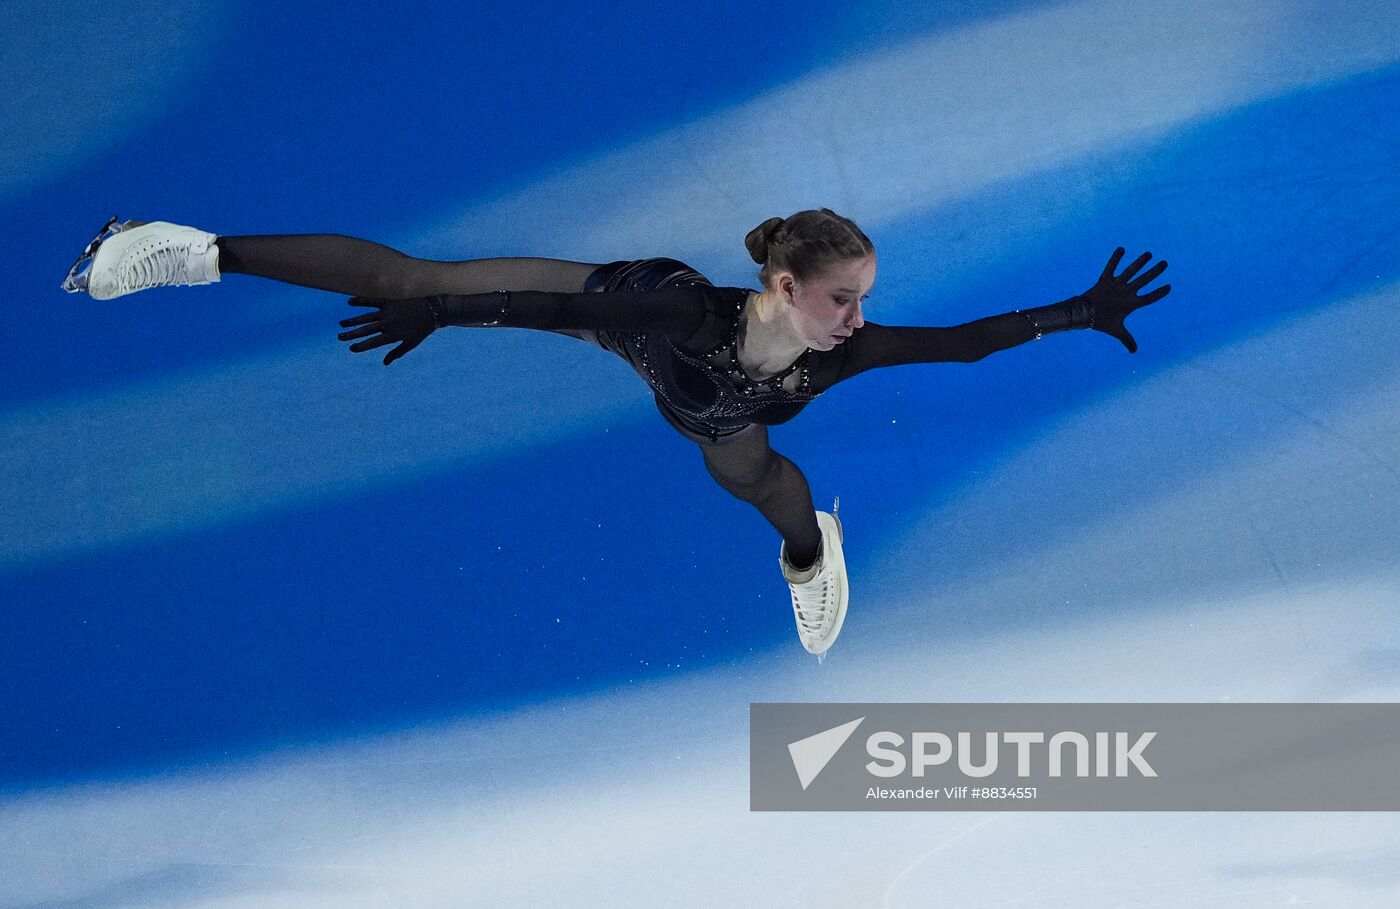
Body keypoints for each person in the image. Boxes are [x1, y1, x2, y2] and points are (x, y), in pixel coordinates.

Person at [61, 209, 1170, 656]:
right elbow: (569, 313)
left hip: (726, 415)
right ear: (780, 284)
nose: (859, 317)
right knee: (412, 273)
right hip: (644, 334)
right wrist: (437, 313)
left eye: (865, 296)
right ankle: (185, 249)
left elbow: (963, 343)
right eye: (840, 298)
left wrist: (1078, 312)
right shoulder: (684, 307)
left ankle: (807, 554)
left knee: (760, 484)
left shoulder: (844, 351)